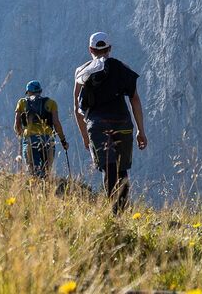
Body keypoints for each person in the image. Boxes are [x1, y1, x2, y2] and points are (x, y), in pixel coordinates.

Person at [73, 32, 147, 213]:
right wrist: (140, 131)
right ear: (110, 49)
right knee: (122, 169)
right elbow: (134, 99)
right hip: (122, 122)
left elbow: (77, 107)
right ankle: (121, 211)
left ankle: (113, 211)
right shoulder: (122, 69)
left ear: (90, 49)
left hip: (97, 125)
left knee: (108, 167)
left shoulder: (82, 72)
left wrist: (85, 136)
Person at [14, 80, 68, 179]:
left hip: (30, 139)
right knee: (47, 171)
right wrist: (63, 141)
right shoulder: (51, 103)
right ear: (40, 91)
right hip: (48, 139)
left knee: (33, 171)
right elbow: (56, 123)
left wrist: (21, 134)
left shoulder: (22, 102)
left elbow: (17, 123)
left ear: (28, 92)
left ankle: (35, 191)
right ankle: (46, 191)